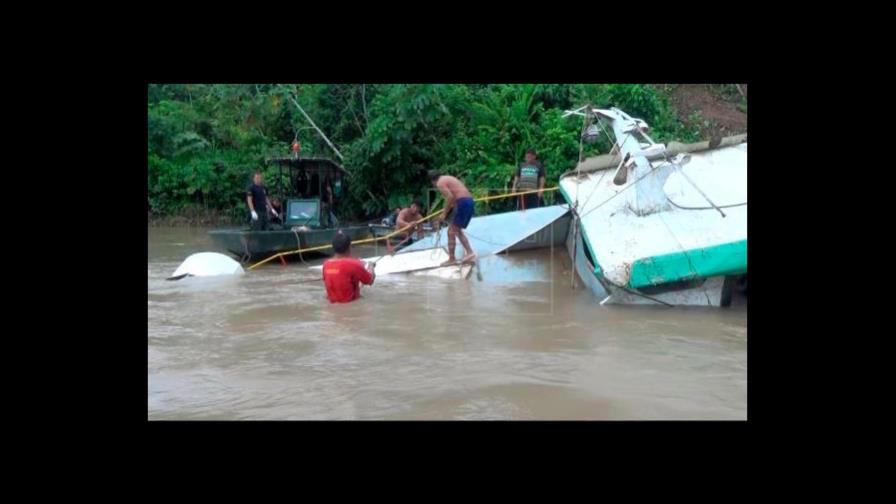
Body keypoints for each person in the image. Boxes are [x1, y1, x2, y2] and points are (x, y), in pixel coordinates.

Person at [429, 170, 476, 266]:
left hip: (463, 203)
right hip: (468, 202)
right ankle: (470, 252)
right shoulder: (447, 178)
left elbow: (450, 197)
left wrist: (444, 213)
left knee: (451, 232)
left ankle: (452, 259)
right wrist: (447, 214)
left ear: (432, 181)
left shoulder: (440, 183)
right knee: (456, 230)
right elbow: (454, 199)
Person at [321, 232, 376, 303]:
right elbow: (370, 281)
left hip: (332, 305)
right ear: (350, 246)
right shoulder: (354, 264)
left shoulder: (326, 264)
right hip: (351, 305)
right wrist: (371, 266)